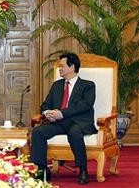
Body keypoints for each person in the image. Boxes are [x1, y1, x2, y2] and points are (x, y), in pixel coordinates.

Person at [30, 52, 97, 185]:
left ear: (72, 67)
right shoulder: (57, 85)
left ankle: (83, 169)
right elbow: (45, 104)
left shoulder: (88, 85)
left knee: (74, 133)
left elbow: (85, 105)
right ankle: (43, 169)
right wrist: (48, 112)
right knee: (37, 132)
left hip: (78, 122)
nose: (59, 68)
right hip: (59, 123)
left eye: (62, 66)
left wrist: (62, 113)